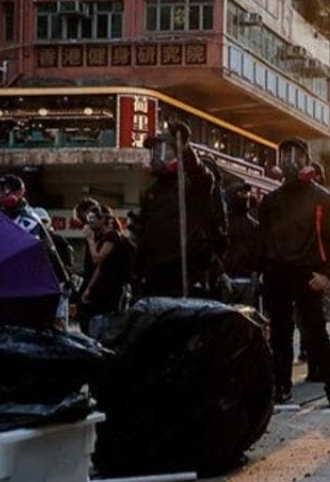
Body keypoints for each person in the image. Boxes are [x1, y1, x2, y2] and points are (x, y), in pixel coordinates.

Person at [257, 138, 330, 408]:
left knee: (316, 333)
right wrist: (262, 272)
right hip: (277, 274)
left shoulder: (322, 198)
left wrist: (327, 275)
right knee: (280, 336)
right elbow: (262, 239)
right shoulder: (271, 200)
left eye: (296, 155)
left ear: (307, 160)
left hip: (309, 275)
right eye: (284, 154)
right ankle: (281, 386)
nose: (290, 160)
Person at [135, 122, 225, 298]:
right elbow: (144, 230)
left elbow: (203, 177)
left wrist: (185, 148)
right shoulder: (151, 192)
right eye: (156, 152)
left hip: (186, 266)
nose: (160, 157)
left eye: (167, 151)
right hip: (156, 268)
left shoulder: (190, 184)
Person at [0, 174, 70, 286]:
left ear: (19, 192)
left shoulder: (27, 219)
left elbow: (28, 255)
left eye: (3, 191)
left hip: (33, 282)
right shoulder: (0, 216)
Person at [78, 206, 134, 330]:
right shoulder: (102, 237)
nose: (90, 222)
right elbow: (100, 267)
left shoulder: (112, 236)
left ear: (102, 220)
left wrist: (90, 241)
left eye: (93, 218)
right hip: (101, 286)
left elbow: (97, 259)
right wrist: (89, 288)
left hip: (112, 286)